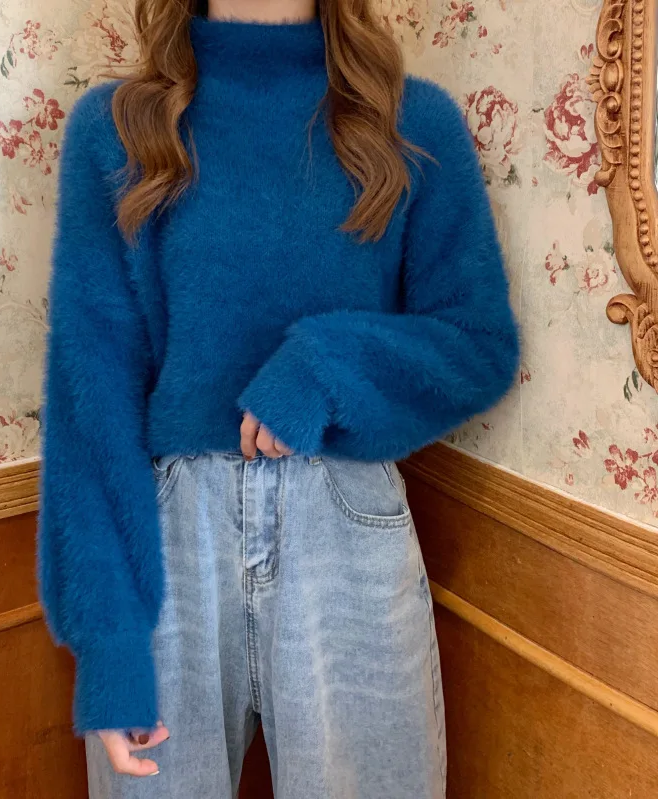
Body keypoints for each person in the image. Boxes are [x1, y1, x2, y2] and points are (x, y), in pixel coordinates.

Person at [38, 0, 519, 796]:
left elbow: (478, 342)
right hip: (166, 545)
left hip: (347, 527)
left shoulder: (412, 122)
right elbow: (91, 399)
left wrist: (325, 369)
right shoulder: (116, 130)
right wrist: (110, 647)